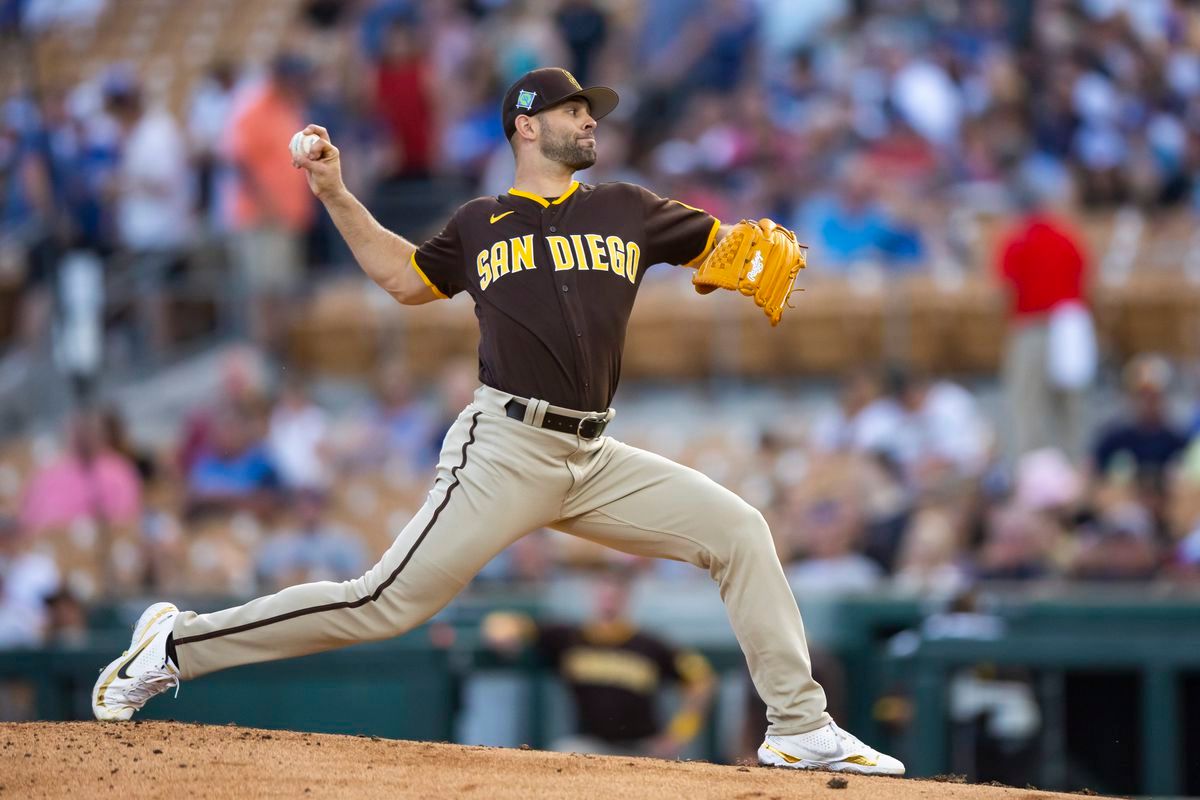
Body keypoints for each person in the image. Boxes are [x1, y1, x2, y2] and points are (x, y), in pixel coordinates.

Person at [91, 67, 903, 776]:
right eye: (576, 110)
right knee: (383, 602)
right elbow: (404, 281)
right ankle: (175, 647)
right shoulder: (481, 223)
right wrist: (336, 192)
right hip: (507, 447)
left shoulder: (627, 207)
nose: (592, 121)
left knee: (741, 531)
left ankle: (798, 727)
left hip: (595, 454)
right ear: (527, 123)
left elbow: (727, 247)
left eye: (594, 111)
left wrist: (748, 255)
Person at [482, 567, 715, 758]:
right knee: (561, 757)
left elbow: (702, 679)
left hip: (642, 747)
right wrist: (500, 630)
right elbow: (509, 622)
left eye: (615, 594)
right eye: (603, 592)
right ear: (592, 594)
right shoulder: (568, 637)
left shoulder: (651, 644)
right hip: (588, 745)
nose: (608, 600)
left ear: (627, 598)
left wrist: (678, 733)